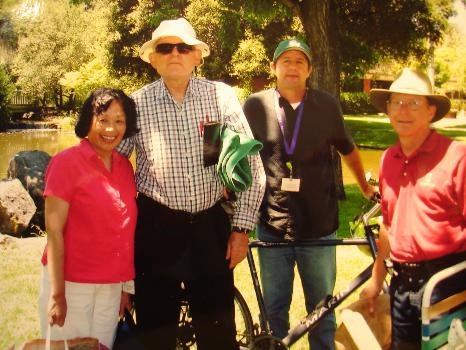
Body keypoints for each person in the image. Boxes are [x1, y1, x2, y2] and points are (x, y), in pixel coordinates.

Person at [116, 17, 265, 350]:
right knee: (157, 333)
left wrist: (241, 229)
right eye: (165, 47)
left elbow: (253, 166)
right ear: (153, 58)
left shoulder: (221, 98)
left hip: (210, 228)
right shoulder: (135, 105)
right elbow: (111, 165)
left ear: (198, 56)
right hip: (156, 228)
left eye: (184, 47)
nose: (175, 54)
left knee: (218, 334)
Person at [243, 38, 374, 349]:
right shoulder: (254, 105)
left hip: (318, 228)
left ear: (310, 69)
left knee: (323, 311)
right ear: (273, 67)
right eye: (285, 60)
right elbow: (238, 156)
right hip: (272, 227)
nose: (292, 66)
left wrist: (367, 188)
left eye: (299, 61)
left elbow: (349, 150)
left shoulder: (327, 105)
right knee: (274, 312)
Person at [361, 68, 466, 349]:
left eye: (414, 102)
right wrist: (376, 278)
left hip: (448, 283)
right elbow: (387, 224)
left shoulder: (457, 157)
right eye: (396, 102)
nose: (403, 110)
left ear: (431, 111)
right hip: (402, 287)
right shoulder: (388, 159)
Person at [38, 88, 139, 349]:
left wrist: (125, 287)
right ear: (87, 121)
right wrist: (57, 294)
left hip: (110, 288)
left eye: (119, 121)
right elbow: (54, 232)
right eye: (103, 119)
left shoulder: (125, 167)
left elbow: (125, 231)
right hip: (72, 285)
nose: (111, 129)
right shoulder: (65, 163)